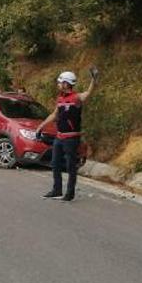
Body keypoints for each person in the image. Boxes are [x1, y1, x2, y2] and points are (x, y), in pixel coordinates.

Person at [37, 68, 98, 202]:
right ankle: (56, 190)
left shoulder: (76, 98)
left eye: (60, 82)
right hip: (59, 137)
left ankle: (70, 194)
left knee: (70, 166)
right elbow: (55, 115)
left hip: (71, 138)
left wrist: (93, 80)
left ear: (66, 83)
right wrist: (41, 126)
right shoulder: (60, 99)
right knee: (55, 163)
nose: (58, 85)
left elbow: (87, 94)